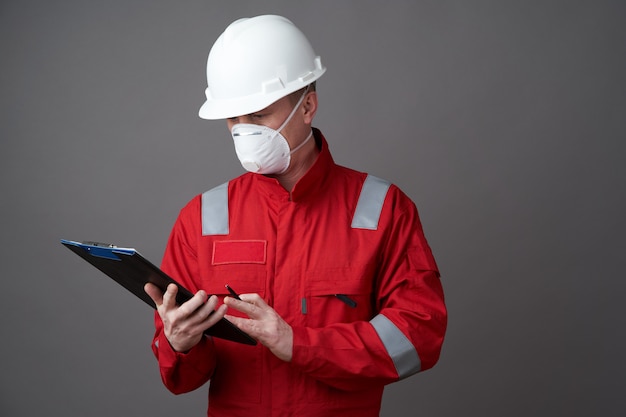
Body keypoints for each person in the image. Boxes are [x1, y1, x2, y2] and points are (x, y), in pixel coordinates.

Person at [144, 14, 447, 417]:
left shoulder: (381, 209)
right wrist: (179, 344)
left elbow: (418, 336)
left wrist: (298, 344)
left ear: (307, 105)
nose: (243, 131)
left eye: (259, 114)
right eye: (233, 118)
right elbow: (181, 379)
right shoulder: (201, 218)